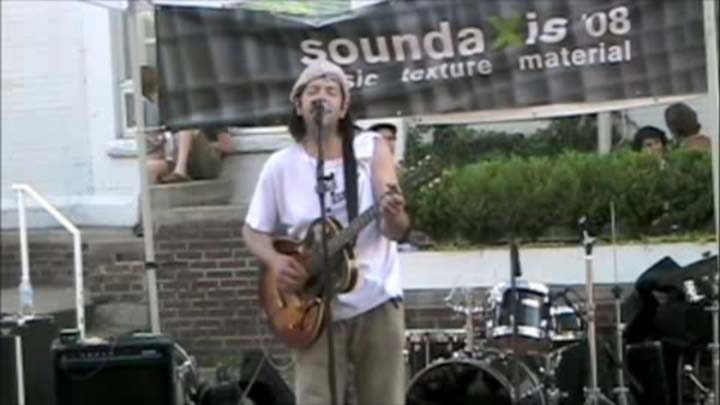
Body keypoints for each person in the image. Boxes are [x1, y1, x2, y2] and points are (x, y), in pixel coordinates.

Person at [242, 60, 410, 405]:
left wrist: (394, 215)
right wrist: (275, 262)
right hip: (309, 309)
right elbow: (253, 231)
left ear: (345, 106)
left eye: (332, 91)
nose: (322, 97)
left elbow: (395, 229)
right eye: (313, 91)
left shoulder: (371, 148)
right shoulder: (281, 165)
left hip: (375, 299)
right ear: (299, 105)